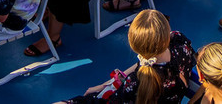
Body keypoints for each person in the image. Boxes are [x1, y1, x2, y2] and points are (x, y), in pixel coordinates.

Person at [62, 9, 200, 104]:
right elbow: (147, 63)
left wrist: (103, 89)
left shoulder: (135, 84)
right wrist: (105, 84)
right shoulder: (180, 42)